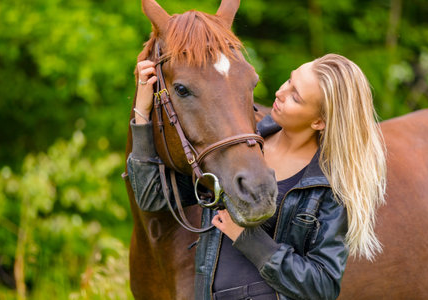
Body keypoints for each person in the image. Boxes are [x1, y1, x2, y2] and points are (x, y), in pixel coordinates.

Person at [129, 54, 386, 299]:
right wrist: (142, 112)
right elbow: (153, 197)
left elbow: (323, 285)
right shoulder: (240, 146)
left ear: (319, 121)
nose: (280, 93)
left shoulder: (327, 186)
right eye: (289, 80)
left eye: (295, 97)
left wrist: (248, 239)